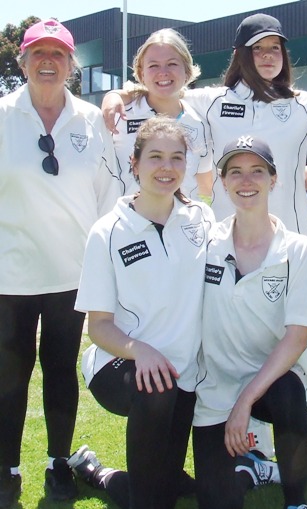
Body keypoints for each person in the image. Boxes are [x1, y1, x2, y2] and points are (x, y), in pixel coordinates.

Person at [101, 12, 307, 479]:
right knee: (236, 346)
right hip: (230, 249)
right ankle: (250, 448)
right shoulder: (213, 102)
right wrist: (119, 92)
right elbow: (164, 89)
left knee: (304, 348)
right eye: (258, 49)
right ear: (242, 55)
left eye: (275, 48)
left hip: (294, 248)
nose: (268, 57)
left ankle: (306, 448)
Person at [0, 19, 121, 507]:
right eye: (38, 53)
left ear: (72, 65)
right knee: (9, 374)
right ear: (23, 62)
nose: (48, 62)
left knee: (59, 370)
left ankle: (58, 462)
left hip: (73, 275)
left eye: (58, 54)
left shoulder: (94, 120)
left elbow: (110, 198)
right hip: (10, 274)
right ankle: (7, 471)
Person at [67, 115, 214, 509]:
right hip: (120, 364)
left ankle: (96, 472)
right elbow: (98, 327)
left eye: (176, 158)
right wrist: (142, 350)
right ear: (134, 164)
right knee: (154, 494)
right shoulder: (108, 231)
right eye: (155, 157)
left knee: (166, 484)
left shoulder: (202, 220)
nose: (167, 168)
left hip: (185, 372)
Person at [193, 135, 307, 509]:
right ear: (222, 181)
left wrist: (247, 400)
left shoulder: (297, 248)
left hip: (270, 382)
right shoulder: (206, 243)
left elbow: (297, 337)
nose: (246, 181)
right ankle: (257, 467)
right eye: (235, 172)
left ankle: (296, 501)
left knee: (288, 392)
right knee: (216, 501)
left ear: (273, 179)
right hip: (215, 387)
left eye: (256, 172)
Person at [112, 28, 212, 200]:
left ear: (186, 70)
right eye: (153, 65)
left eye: (172, 64)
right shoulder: (119, 116)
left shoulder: (199, 122)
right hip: (132, 224)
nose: (163, 72)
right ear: (141, 72)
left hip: (183, 223)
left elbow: (205, 184)